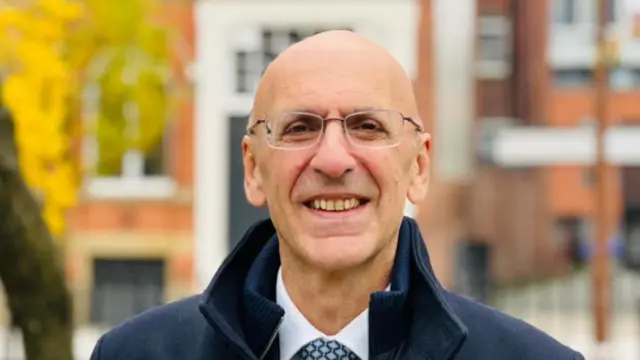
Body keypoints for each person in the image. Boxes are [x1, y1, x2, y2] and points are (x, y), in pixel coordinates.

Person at [90, 30, 584, 360]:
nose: (331, 159)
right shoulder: (136, 354)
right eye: (299, 127)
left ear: (419, 165)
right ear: (253, 168)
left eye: (367, 127)